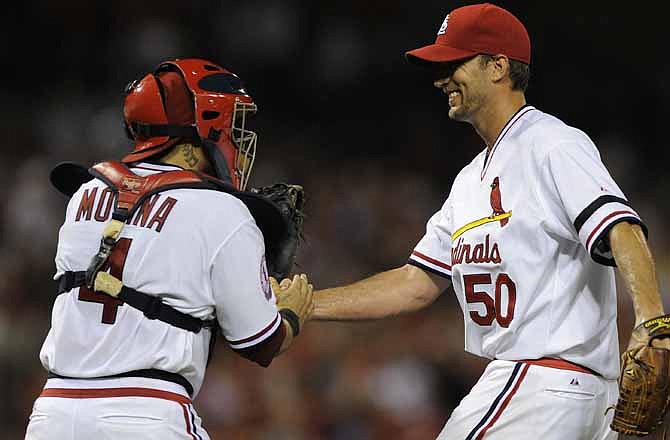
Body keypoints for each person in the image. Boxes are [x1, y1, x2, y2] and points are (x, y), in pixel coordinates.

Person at [308, 3, 666, 438]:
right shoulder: (467, 183)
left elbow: (620, 226)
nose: (441, 78)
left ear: (498, 66)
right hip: (568, 399)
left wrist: (652, 323)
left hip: (540, 384)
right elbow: (414, 284)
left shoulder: (550, 142)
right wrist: (307, 305)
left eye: (454, 62)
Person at [25, 58, 313, 440]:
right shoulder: (223, 210)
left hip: (53, 414)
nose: (237, 138)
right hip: (146, 412)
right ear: (203, 128)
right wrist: (290, 314)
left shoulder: (83, 194)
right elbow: (260, 341)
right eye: (231, 124)